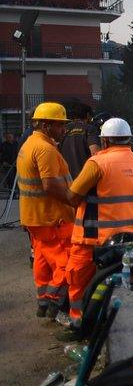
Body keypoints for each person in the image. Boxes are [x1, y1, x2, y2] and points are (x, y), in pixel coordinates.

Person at [60, 118, 133, 339]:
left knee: (78, 281)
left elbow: (73, 197)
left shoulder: (97, 164)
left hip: (94, 237)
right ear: (129, 140)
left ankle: (78, 325)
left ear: (104, 141)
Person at [15, 102, 74, 319]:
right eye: (60, 125)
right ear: (46, 125)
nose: (63, 130)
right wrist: (73, 200)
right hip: (51, 217)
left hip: (34, 217)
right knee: (66, 261)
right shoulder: (45, 149)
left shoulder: (29, 144)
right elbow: (49, 185)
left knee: (42, 259)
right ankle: (53, 303)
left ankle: (42, 301)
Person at [59, 103, 100, 178]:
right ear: (87, 115)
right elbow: (95, 154)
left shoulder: (62, 129)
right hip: (86, 180)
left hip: (67, 179)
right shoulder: (90, 129)